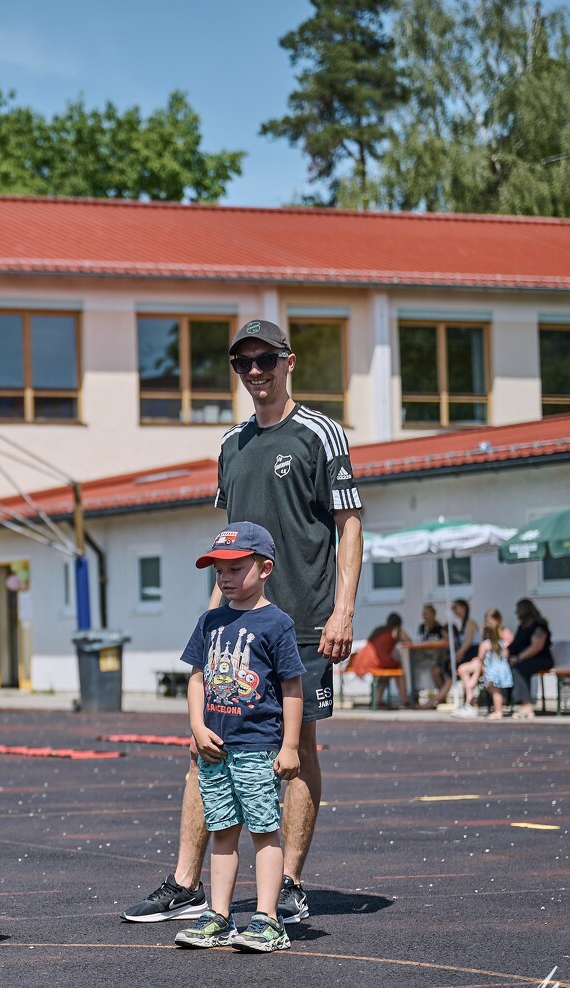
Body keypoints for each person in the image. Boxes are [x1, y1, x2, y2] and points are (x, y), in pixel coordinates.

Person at [121, 318, 362, 927]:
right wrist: (210, 620)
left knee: (297, 747)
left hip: (304, 621)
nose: (255, 371)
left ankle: (289, 884)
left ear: (289, 362)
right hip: (234, 625)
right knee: (205, 744)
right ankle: (186, 883)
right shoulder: (231, 444)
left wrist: (343, 610)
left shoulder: (321, 433)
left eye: (265, 360)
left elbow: (349, 525)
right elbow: (229, 544)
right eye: (243, 363)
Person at [173, 523, 303, 953]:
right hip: (216, 751)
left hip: (257, 748)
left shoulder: (277, 624)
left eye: (235, 568)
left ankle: (268, 920)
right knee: (223, 831)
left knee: (264, 831)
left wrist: (289, 746)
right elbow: (197, 677)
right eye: (219, 570)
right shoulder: (210, 621)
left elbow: (292, 688)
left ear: (265, 569)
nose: (224, 577)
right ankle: (219, 916)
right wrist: (197, 727)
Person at [348, 613, 410, 709]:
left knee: (386, 673)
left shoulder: (380, 630)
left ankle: (378, 700)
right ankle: (404, 699)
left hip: (362, 659)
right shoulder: (395, 631)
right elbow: (409, 642)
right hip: (377, 660)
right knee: (398, 669)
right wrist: (401, 631)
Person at [507, 598, 553, 720]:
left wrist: (519, 658)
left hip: (540, 659)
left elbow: (536, 647)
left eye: (518, 610)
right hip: (522, 659)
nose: (517, 613)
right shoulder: (522, 627)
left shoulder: (539, 626)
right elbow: (514, 645)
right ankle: (504, 702)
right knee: (503, 667)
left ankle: (526, 705)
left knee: (518, 669)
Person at [477, 609, 515, 719]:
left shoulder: (485, 644)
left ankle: (498, 711)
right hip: (503, 671)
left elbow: (480, 658)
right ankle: (501, 704)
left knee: (495, 692)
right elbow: (506, 655)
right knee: (497, 691)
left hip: (492, 672)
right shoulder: (502, 644)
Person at [447, 599, 479, 706]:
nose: (454, 610)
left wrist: (455, 657)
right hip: (467, 654)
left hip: (472, 654)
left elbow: (467, 644)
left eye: (455, 607)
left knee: (455, 668)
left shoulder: (470, 623)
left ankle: (469, 699)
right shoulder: (462, 624)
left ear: (464, 608)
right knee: (446, 668)